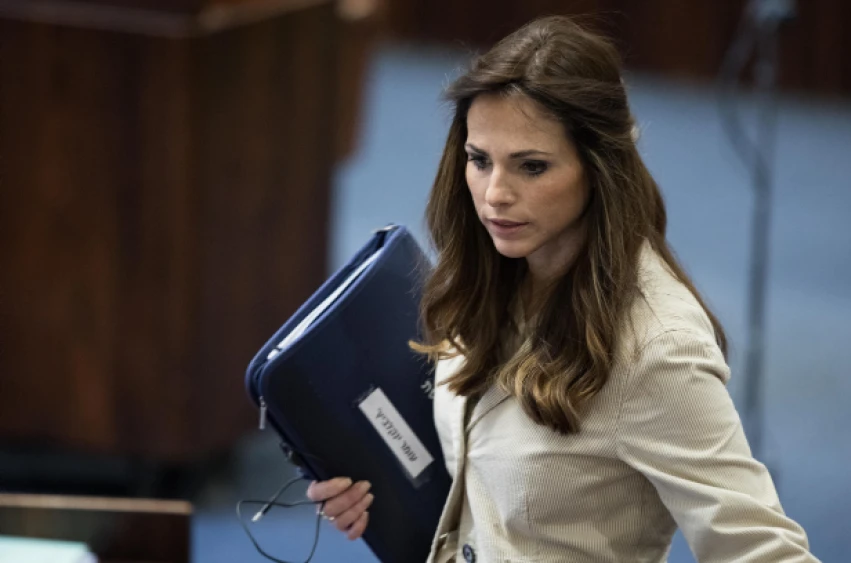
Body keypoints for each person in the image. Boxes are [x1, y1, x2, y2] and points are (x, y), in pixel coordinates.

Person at [306, 15, 819, 563]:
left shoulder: (657, 349)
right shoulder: (492, 274)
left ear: (599, 170)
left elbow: (765, 550)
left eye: (532, 167)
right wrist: (386, 489)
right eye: (480, 161)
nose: (495, 194)